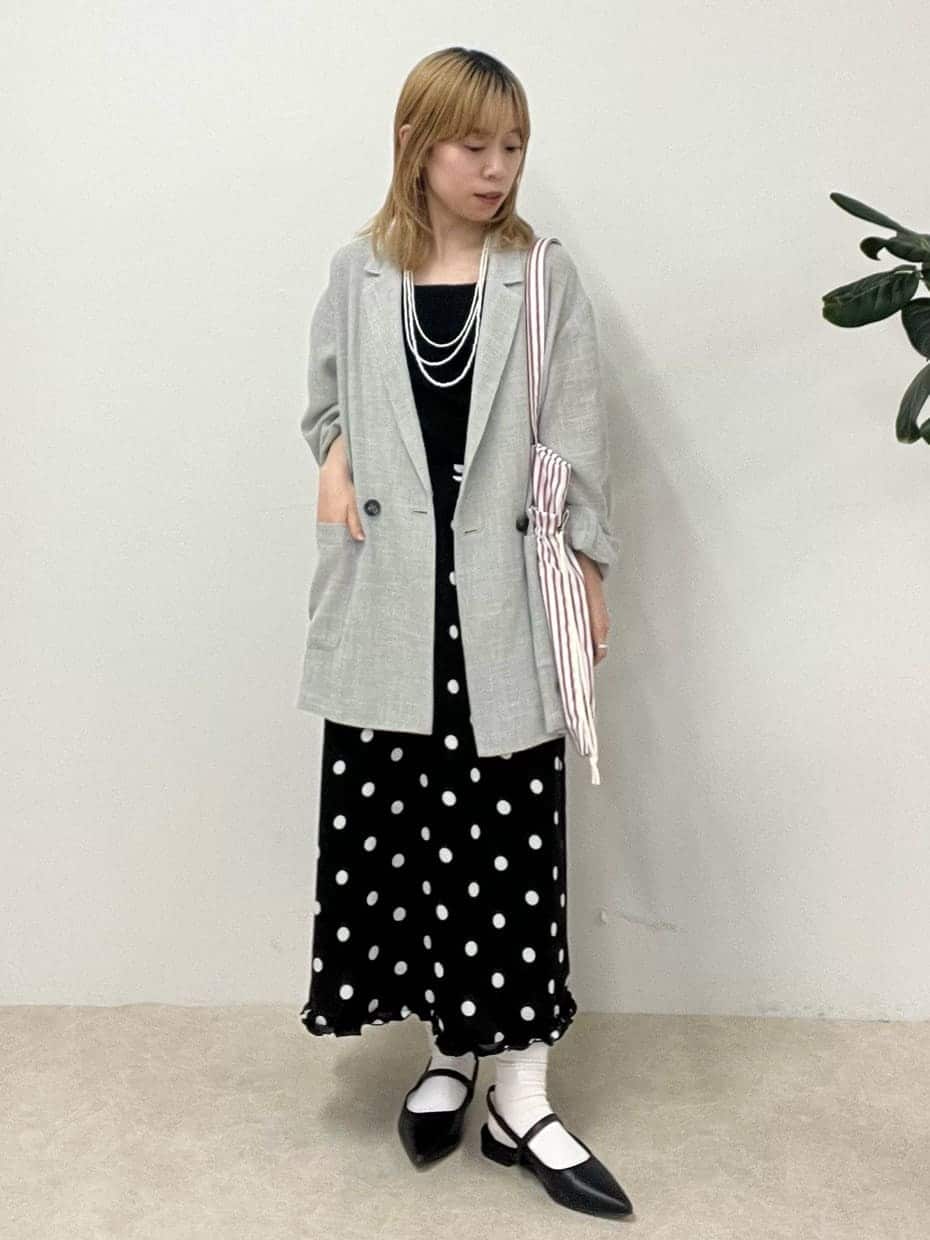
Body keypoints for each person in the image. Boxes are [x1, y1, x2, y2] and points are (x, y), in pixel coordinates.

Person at [296, 47, 632, 1219]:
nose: (497, 168)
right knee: (413, 849)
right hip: (390, 608)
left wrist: (588, 570)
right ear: (416, 145)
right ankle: (448, 1055)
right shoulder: (358, 273)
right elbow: (327, 403)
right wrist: (336, 459)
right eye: (473, 144)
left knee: (512, 849)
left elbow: (578, 436)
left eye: (513, 146)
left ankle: (520, 1094)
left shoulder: (540, 276)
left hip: (502, 603)